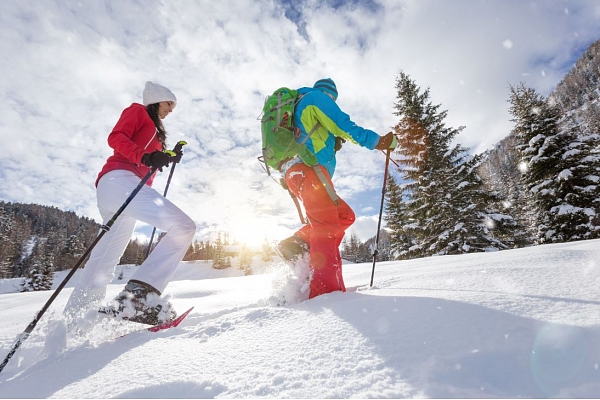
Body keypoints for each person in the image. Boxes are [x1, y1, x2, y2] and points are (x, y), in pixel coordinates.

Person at [63, 81, 196, 326]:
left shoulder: (156, 132)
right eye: (169, 103)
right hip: (119, 180)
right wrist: (146, 155)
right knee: (184, 226)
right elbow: (116, 138)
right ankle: (139, 298)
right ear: (156, 100)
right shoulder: (138, 111)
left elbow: (147, 157)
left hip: (121, 188)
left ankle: (76, 323)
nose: (171, 109)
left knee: (104, 262)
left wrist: (166, 155)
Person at [276, 78, 397, 299]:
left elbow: (306, 139)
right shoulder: (316, 98)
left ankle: (299, 242)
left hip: (301, 173)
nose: (333, 102)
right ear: (330, 94)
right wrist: (379, 141)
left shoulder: (300, 106)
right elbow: (344, 125)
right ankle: (327, 293)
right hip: (309, 172)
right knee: (327, 227)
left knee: (344, 215)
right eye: (334, 99)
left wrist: (331, 142)